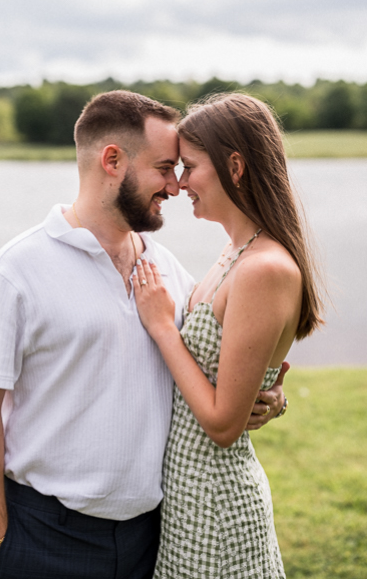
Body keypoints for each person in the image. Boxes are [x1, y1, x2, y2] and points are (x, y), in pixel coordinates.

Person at [0, 91, 286, 579]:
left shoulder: (168, 271)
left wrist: (270, 394)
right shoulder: (15, 272)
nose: (175, 186)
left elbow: (216, 358)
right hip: (45, 537)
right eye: (164, 168)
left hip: (153, 540)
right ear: (112, 160)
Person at [131, 92, 322, 578]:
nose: (178, 183)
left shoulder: (264, 269)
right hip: (187, 504)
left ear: (234, 165)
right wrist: (271, 396)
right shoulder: (234, 253)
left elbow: (222, 425)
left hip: (216, 508)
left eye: (190, 167)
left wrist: (161, 327)